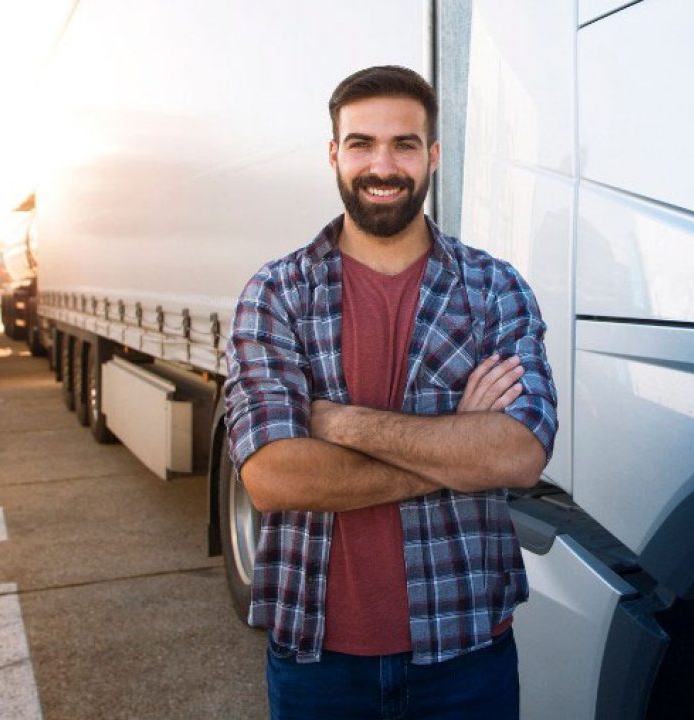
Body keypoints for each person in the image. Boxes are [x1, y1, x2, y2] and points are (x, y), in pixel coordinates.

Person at [223, 65, 557, 720]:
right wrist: (454, 452)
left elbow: (517, 455)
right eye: (361, 144)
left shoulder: (493, 289)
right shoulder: (279, 293)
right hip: (318, 661)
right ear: (334, 155)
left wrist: (341, 424)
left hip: (465, 652)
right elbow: (272, 477)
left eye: (404, 144)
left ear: (432, 156)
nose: (384, 165)